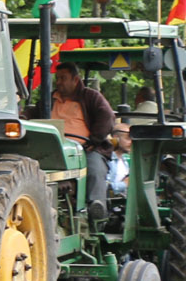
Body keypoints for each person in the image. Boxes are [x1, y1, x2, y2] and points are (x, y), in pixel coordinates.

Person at [51, 63, 128, 206]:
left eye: (63, 78)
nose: (59, 82)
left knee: (95, 169)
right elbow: (33, 112)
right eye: (57, 78)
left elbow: (107, 117)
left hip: (85, 148)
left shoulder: (90, 96)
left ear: (75, 80)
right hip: (54, 149)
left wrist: (93, 141)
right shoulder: (50, 98)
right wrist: (23, 117)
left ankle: (96, 207)